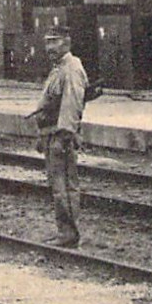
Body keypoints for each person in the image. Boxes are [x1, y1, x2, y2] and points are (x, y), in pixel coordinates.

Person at [26, 28, 97, 248]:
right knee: (58, 186)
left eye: (54, 42)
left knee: (63, 186)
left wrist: (66, 134)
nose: (49, 48)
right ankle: (65, 231)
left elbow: (72, 103)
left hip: (60, 136)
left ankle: (69, 233)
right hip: (50, 134)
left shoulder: (72, 68)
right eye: (47, 43)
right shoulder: (59, 69)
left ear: (67, 42)